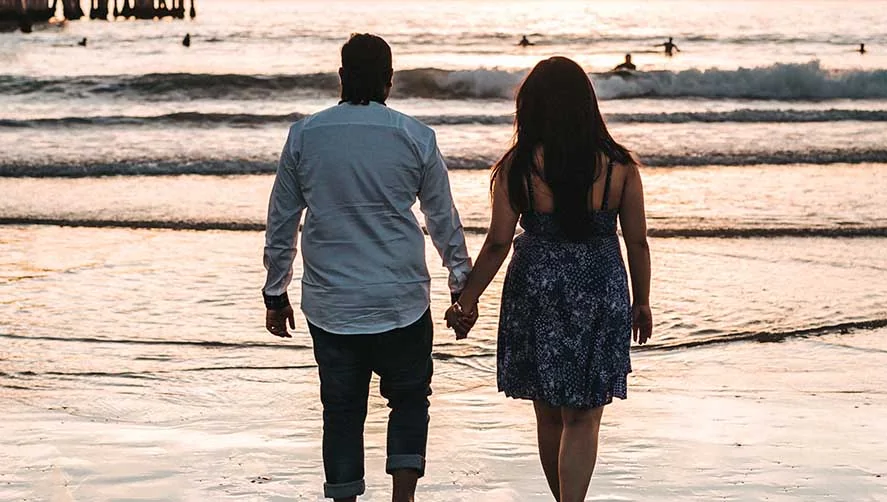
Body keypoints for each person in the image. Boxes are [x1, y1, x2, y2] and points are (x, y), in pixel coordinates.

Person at [261, 34, 473, 502]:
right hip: (401, 298)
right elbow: (442, 218)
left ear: (341, 76)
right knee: (410, 399)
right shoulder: (415, 136)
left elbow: (282, 221)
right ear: (389, 80)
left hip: (332, 303)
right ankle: (403, 498)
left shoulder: (305, 135)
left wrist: (275, 292)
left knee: (340, 410)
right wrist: (461, 285)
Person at [444, 57, 653, 502]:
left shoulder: (518, 166)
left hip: (537, 289)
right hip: (600, 288)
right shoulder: (619, 166)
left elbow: (498, 243)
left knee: (549, 413)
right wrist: (642, 301)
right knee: (584, 416)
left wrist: (468, 299)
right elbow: (637, 242)